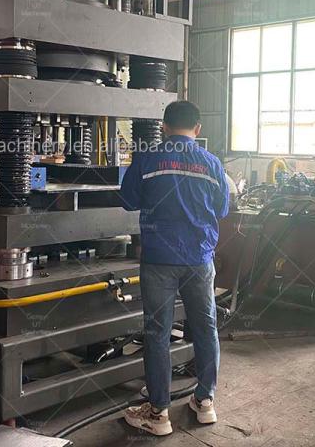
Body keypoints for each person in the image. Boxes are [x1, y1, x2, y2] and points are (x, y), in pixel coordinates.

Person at [120, 100, 229, 436]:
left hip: (158, 260)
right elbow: (222, 209)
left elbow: (128, 200)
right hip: (199, 259)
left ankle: (158, 413)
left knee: (157, 333)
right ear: (198, 129)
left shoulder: (147, 160)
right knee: (205, 327)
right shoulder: (212, 164)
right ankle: (205, 401)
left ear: (164, 127)